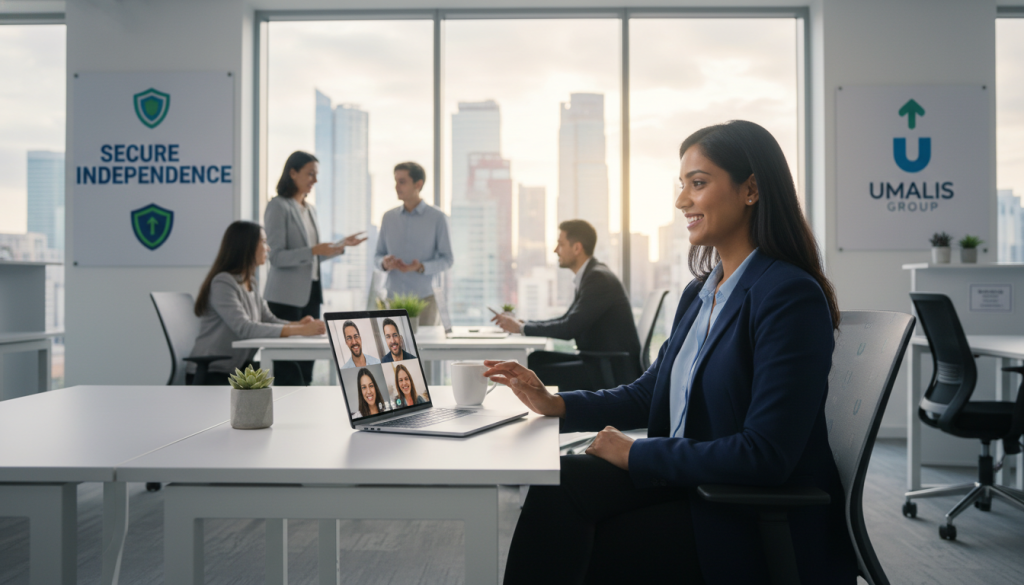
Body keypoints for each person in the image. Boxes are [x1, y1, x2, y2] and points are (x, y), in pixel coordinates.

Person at [484, 120, 854, 584]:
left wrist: (638, 454)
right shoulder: (701, 292)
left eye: (697, 184)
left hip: (742, 514)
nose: (682, 201)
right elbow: (649, 393)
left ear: (751, 189)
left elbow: (765, 454)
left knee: (590, 545)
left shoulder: (788, 295)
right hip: (689, 484)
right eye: (683, 186)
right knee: (558, 483)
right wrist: (556, 404)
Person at [492, 219, 641, 391]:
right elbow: (566, 320)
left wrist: (521, 328)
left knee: (532, 370)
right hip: (598, 360)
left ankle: (552, 416)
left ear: (577, 248)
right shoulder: (591, 274)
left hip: (611, 368)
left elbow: (569, 328)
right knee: (535, 359)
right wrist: (524, 324)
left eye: (560, 244)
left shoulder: (597, 278)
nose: (556, 250)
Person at [264, 151, 366, 385]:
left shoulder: (310, 210)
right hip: (285, 299)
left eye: (316, 175)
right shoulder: (278, 207)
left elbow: (312, 258)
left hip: (311, 295)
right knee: (288, 369)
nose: (315, 180)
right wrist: (313, 250)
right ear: (293, 172)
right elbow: (276, 257)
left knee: (307, 364)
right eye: (310, 174)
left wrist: (340, 246)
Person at [190, 221, 326, 386]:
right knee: (287, 374)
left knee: (289, 370)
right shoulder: (223, 282)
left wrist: (297, 324)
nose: (268, 248)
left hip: (238, 368)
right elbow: (245, 328)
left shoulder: (250, 283)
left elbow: (267, 319)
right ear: (246, 246)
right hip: (214, 371)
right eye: (263, 241)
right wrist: (300, 330)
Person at [373, 162, 454, 325]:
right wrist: (384, 263)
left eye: (402, 182)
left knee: (425, 348)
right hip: (392, 299)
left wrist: (421, 267)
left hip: (425, 300)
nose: (396, 187)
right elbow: (377, 256)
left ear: (418, 184)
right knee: (393, 349)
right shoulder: (388, 218)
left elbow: (448, 260)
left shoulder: (437, 218)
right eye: (396, 181)